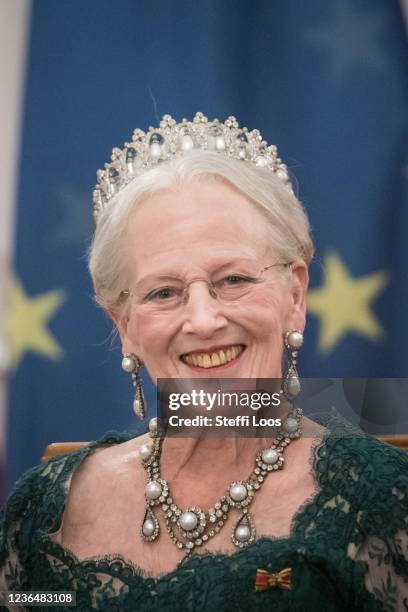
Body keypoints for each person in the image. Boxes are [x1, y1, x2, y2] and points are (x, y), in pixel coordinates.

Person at [1, 113, 407, 611]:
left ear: (294, 294)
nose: (203, 319)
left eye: (234, 280)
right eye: (164, 292)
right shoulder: (45, 507)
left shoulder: (380, 498)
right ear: (124, 326)